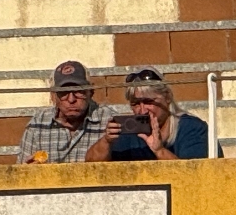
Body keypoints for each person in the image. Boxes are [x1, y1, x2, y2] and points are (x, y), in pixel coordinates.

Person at [87, 67, 220, 161]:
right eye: (135, 103)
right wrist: (106, 141)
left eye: (148, 102)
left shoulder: (192, 129)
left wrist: (159, 151)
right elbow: (91, 166)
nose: (143, 110)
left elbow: (192, 176)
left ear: (167, 97)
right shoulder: (129, 131)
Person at [18, 60, 109, 164]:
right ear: (53, 96)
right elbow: (21, 169)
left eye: (78, 91)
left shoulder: (106, 120)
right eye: (63, 92)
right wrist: (29, 169)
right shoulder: (38, 125)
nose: (71, 99)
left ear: (91, 92)